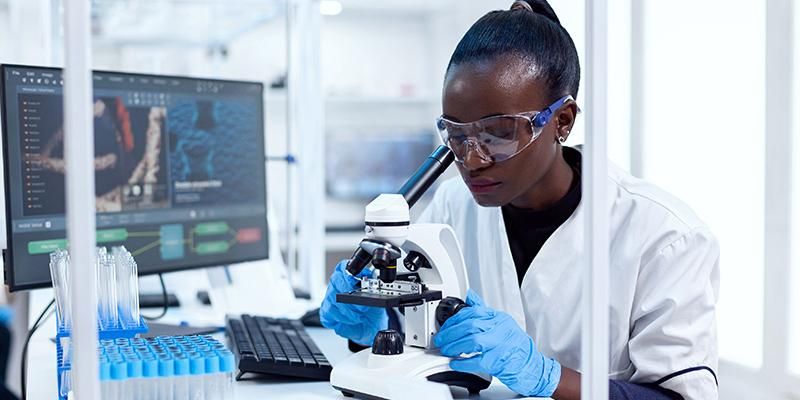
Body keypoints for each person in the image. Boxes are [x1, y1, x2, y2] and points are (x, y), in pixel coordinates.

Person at [320, 1, 719, 399]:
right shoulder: (451, 205)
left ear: (562, 120)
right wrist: (379, 328)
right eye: (457, 135)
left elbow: (681, 396)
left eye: (498, 133)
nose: (473, 160)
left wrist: (546, 376)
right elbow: (429, 346)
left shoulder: (665, 237)